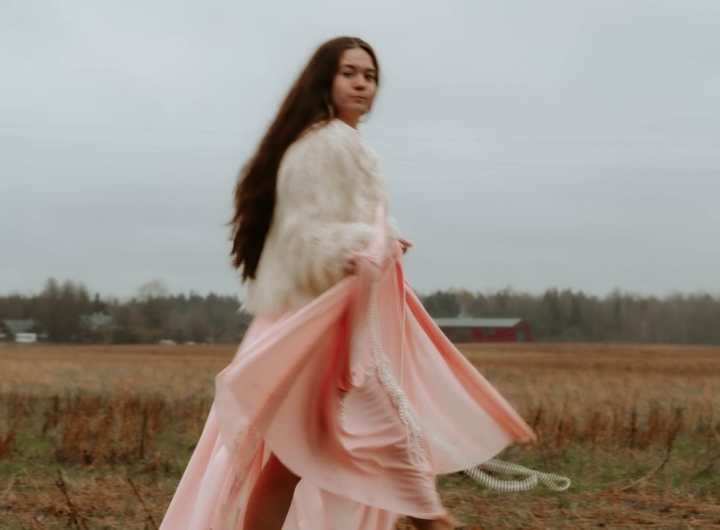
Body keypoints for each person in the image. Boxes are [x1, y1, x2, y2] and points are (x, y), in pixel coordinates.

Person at [159, 36, 546, 530]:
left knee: (292, 464)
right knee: (388, 444)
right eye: (350, 73)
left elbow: (338, 229)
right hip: (330, 334)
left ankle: (429, 517)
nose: (362, 84)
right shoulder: (324, 146)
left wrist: (382, 241)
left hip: (342, 326)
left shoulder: (342, 144)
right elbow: (304, 236)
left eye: (370, 76)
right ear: (325, 80)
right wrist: (369, 243)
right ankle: (432, 520)